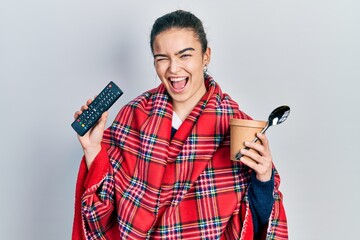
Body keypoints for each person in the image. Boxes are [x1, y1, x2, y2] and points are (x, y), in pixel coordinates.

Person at [72, 10, 288, 240]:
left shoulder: (237, 125)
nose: (173, 69)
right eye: (162, 58)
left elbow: (255, 222)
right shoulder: (133, 116)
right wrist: (93, 149)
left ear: (206, 56)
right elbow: (100, 214)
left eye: (185, 55)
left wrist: (263, 178)